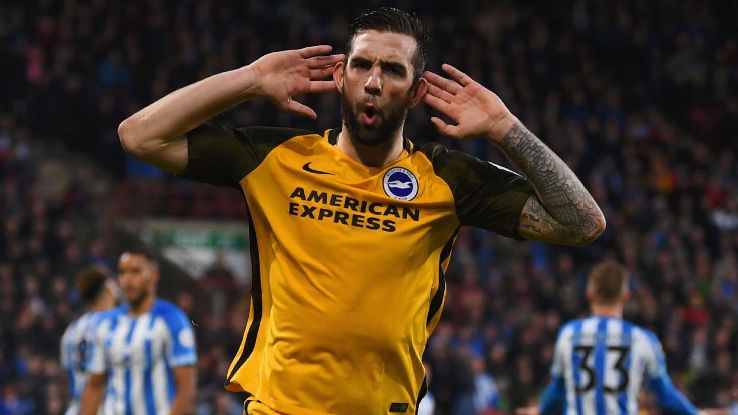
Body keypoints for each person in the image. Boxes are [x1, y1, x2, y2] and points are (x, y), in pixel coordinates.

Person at [116, 6, 606, 414]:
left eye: (392, 70)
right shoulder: (278, 159)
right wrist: (248, 80)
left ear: (416, 92)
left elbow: (582, 223)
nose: (373, 82)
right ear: (340, 74)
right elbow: (139, 135)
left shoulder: (447, 179)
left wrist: (504, 127)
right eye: (361, 65)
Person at [517, 261, 725, 415]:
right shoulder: (643, 339)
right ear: (626, 297)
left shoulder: (568, 334)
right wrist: (699, 414)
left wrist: (540, 411)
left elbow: (557, 392)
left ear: (589, 294)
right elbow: (665, 394)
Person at [79, 251, 197, 415]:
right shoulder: (104, 324)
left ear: (154, 275)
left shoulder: (172, 319)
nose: (128, 279)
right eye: (122, 272)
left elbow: (186, 390)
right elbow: (94, 387)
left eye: (135, 271)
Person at [60, 267, 119, 415]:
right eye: (114, 291)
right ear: (106, 293)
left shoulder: (71, 331)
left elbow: (67, 373)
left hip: (77, 408)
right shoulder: (115, 326)